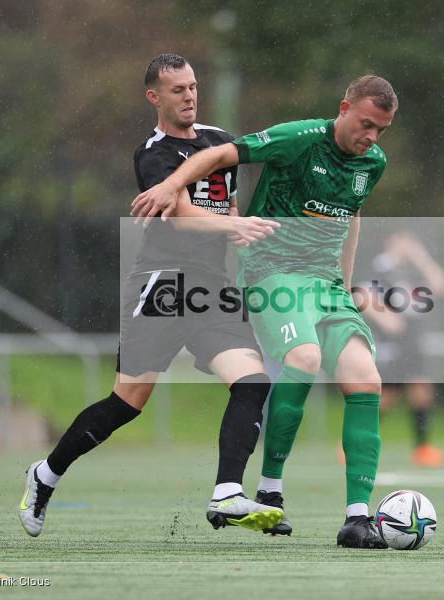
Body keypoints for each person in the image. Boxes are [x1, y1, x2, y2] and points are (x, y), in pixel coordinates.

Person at [19, 53, 283, 537]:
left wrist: (244, 231)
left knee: (253, 382)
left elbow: (227, 205)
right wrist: (234, 224)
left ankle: (227, 491)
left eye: (193, 86)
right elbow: (179, 211)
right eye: (178, 89)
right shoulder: (152, 153)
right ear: (154, 97)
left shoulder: (218, 142)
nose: (189, 96)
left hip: (212, 289)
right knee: (127, 402)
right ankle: (44, 475)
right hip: (163, 283)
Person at [132, 74, 398, 548]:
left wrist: (346, 280)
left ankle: (357, 518)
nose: (371, 137)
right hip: (271, 271)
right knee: (304, 359)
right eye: (365, 124)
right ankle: (271, 491)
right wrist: (171, 186)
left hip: (325, 282)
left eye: (381, 129)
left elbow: (351, 214)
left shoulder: (371, 162)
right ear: (343, 108)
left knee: (366, 379)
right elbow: (218, 154)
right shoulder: (298, 138)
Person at [359, 231, 444, 468]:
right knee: (385, 397)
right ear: (390, 242)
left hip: (411, 342)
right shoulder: (380, 267)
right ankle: (356, 440)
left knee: (421, 390)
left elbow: (442, 286)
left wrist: (422, 257)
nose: (408, 246)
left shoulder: (413, 270)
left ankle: (422, 448)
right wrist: (385, 317)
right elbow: (361, 294)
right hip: (389, 343)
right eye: (404, 241)